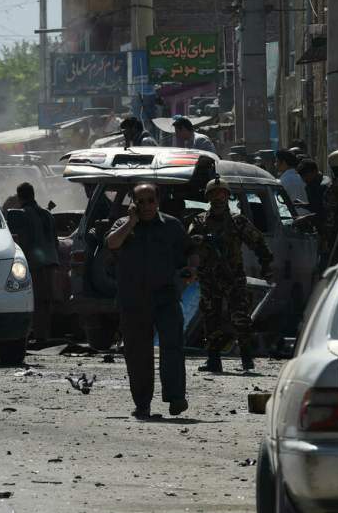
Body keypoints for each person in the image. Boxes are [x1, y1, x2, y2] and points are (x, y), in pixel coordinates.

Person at [105, 183, 194, 419]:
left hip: (165, 297)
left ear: (158, 201)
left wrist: (187, 274)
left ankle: (176, 398)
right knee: (137, 353)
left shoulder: (172, 226)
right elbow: (112, 243)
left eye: (150, 200)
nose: (146, 206)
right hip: (133, 300)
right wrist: (131, 222)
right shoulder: (122, 226)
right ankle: (142, 403)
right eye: (140, 201)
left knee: (172, 347)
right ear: (133, 203)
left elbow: (188, 253)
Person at [188, 177, 273, 373]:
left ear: (227, 196)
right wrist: (197, 241)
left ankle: (246, 359)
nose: (218, 198)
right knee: (211, 318)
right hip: (209, 277)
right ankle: (213, 359)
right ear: (208, 197)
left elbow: (259, 243)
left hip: (233, 276)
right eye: (214, 195)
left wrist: (266, 265)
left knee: (240, 318)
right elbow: (187, 244)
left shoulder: (238, 221)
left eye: (222, 194)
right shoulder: (200, 221)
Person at [11, 182, 59, 340]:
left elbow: (25, 241)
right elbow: (55, 240)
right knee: (46, 300)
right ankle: (43, 335)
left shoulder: (23, 214)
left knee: (37, 301)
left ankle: (39, 336)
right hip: (51, 262)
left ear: (20, 197)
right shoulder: (47, 213)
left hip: (36, 264)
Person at [298, 158, 330, 226]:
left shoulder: (324, 186)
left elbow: (327, 212)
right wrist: (304, 205)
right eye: (302, 177)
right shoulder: (310, 185)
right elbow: (317, 206)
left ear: (315, 171)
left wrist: (306, 218)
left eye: (306, 175)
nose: (304, 179)